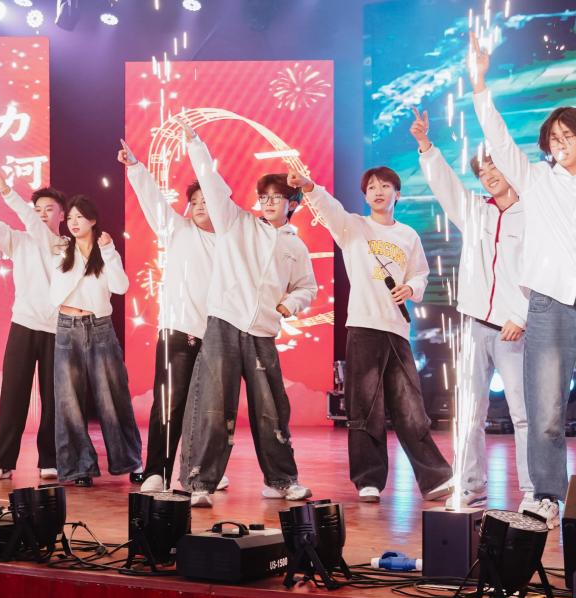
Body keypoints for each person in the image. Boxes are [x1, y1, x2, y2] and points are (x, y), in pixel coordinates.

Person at [468, 32, 576, 527]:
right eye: (553, 137)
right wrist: (480, 84)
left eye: (567, 137)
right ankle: (546, 496)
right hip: (548, 306)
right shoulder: (536, 181)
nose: (558, 144)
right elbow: (499, 139)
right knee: (545, 413)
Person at [286, 165, 453, 505]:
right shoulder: (352, 226)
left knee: (410, 408)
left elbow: (420, 273)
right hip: (363, 326)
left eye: (385, 186)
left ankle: (435, 478)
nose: (378, 191)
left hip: (397, 330)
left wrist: (411, 288)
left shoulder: (408, 235)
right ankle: (368, 480)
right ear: (365, 196)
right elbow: (328, 207)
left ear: (397, 194)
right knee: (365, 408)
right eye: (372, 187)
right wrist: (309, 185)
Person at [179, 122, 317, 508]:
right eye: (264, 197)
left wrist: (289, 305)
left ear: (293, 204)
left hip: (262, 333)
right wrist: (195, 143)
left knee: (271, 410)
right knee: (213, 406)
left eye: (277, 197)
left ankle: (280, 480)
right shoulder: (237, 223)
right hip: (224, 323)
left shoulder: (295, 246)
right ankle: (200, 483)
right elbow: (212, 182)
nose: (269, 203)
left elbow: (307, 287)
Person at [411, 106, 530, 508]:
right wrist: (426, 146)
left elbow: (542, 272)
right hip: (475, 326)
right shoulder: (476, 211)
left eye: (495, 166)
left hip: (515, 329)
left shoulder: (533, 215)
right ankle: (470, 483)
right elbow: (445, 186)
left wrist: (521, 315)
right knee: (469, 413)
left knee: (524, 415)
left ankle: (534, 492)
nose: (489, 175)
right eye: (482, 172)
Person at [118, 138, 226, 495]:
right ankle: (157, 472)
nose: (199, 206)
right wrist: (135, 167)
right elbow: (153, 201)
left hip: (217, 334)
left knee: (210, 409)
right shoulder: (178, 229)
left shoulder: (231, 241)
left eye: (206, 200)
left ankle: (204, 470)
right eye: (194, 202)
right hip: (177, 331)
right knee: (169, 404)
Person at [0, 174, 67, 480]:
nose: (42, 214)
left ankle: (50, 460)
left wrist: (6, 191)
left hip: (59, 329)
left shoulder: (67, 246)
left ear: (62, 214)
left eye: (49, 209)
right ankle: (2, 461)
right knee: (13, 395)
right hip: (24, 324)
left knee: (53, 398)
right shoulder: (19, 241)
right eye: (38, 209)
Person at [49, 195, 143, 488]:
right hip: (67, 328)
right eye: (70, 218)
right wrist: (73, 251)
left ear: (92, 220)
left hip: (100, 327)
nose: (74, 222)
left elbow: (121, 287)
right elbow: (58, 289)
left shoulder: (106, 252)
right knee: (68, 401)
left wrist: (109, 251)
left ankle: (130, 462)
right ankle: (79, 467)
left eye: (80, 217)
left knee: (113, 396)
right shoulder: (61, 251)